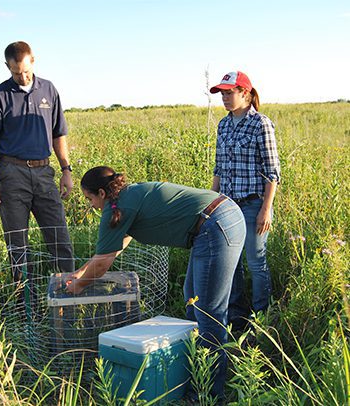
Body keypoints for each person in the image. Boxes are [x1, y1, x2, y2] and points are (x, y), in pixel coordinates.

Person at [66, 166, 246, 400]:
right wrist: (80, 273)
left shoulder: (117, 207)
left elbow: (101, 265)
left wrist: (78, 288)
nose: (90, 204)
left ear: (101, 193)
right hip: (217, 220)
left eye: (89, 198)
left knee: (208, 313)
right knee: (192, 300)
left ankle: (208, 394)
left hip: (216, 225)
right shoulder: (125, 198)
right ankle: (195, 372)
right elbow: (114, 247)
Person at [0, 41, 74, 280]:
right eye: (15, 72)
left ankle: (69, 297)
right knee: (17, 244)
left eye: (26, 71)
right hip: (12, 175)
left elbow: (58, 134)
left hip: (44, 173)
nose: (22, 77)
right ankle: (25, 307)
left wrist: (66, 170)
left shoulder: (49, 90)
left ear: (33, 61)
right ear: (7, 67)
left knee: (59, 236)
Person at [210, 71, 281, 330]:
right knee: (232, 263)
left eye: (230, 93)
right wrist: (212, 202)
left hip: (253, 204)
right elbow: (219, 168)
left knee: (256, 261)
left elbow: (272, 170)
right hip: (227, 206)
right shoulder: (223, 125)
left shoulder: (261, 123)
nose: (225, 98)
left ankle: (262, 318)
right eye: (223, 94)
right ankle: (238, 318)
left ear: (246, 93)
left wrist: (266, 208)